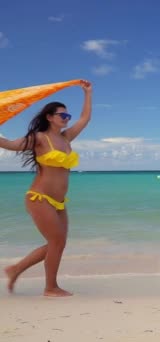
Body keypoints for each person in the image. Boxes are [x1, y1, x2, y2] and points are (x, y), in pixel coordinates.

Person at [0, 79, 92, 297]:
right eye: (62, 115)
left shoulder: (66, 138)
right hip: (39, 197)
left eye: (67, 116)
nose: (67, 119)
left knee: (58, 244)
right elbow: (11, 145)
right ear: (49, 117)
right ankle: (50, 287)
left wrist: (87, 92)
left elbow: (85, 118)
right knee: (56, 241)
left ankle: (16, 269)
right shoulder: (39, 138)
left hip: (59, 202)